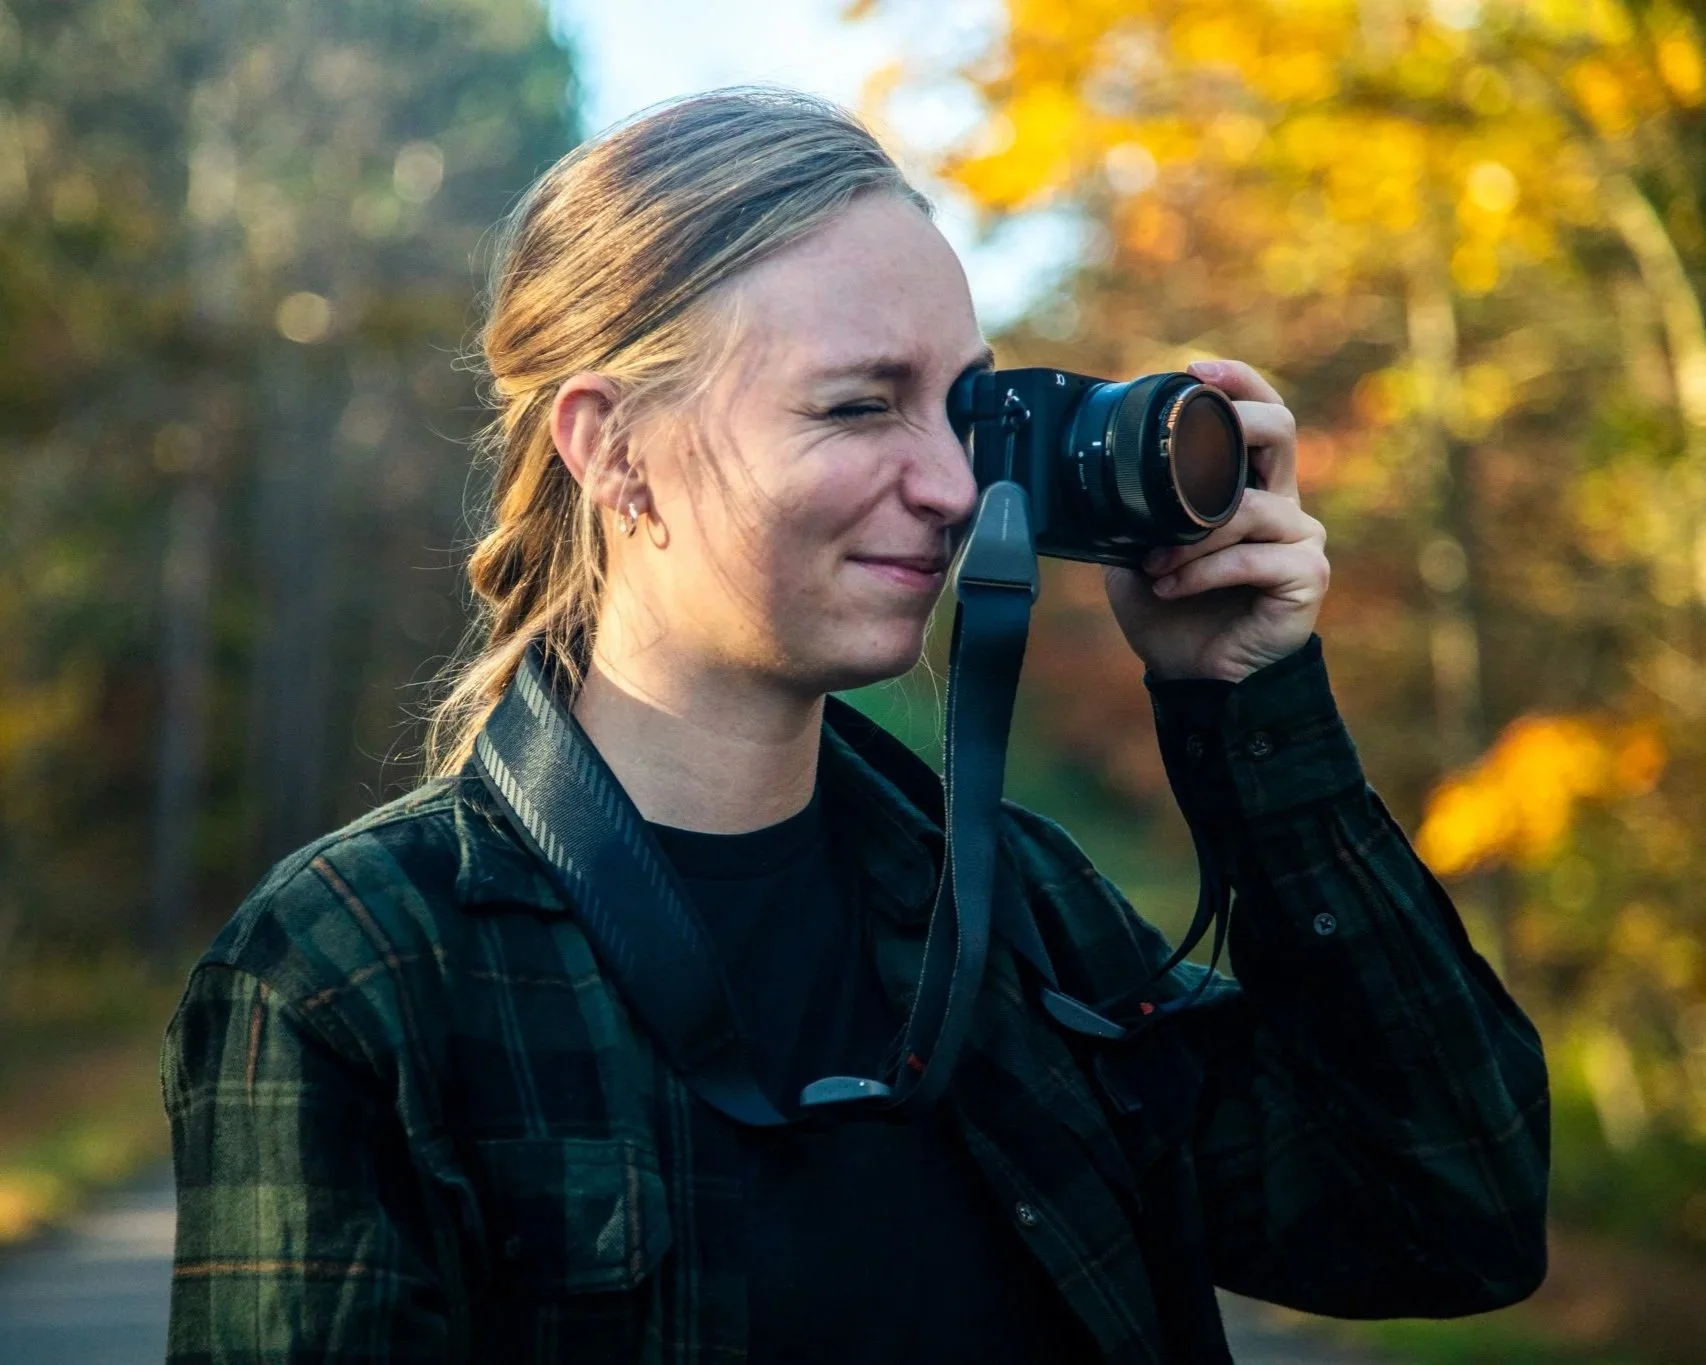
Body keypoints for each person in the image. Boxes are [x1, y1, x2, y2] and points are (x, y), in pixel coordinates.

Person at [161, 88, 1549, 1364]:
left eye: (961, 409)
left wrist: (1248, 710)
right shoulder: (357, 970)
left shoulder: (1022, 918)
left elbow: (1450, 1218)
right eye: (856, 405)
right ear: (611, 446)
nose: (950, 485)